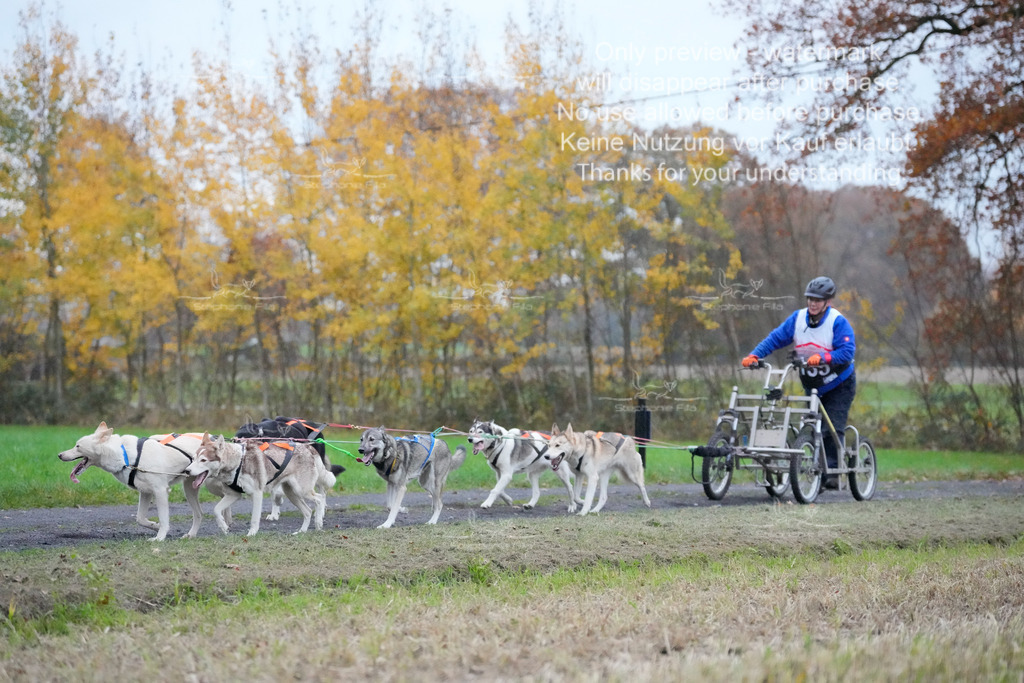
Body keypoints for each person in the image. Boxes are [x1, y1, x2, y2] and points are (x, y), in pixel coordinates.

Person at [741, 276, 856, 489]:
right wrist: (755, 355)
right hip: (813, 385)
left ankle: (832, 472)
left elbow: (847, 353)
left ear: (827, 302)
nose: (813, 303)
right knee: (813, 426)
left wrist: (823, 358)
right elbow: (775, 338)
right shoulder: (798, 319)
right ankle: (814, 470)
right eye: (810, 299)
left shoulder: (837, 322)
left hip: (839, 383)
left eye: (818, 300)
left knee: (832, 425)